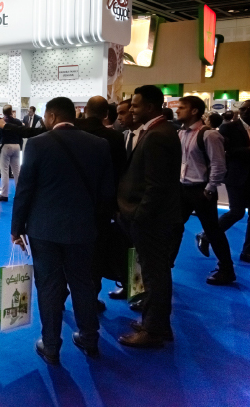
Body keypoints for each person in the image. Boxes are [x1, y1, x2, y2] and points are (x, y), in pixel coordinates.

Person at [11, 97, 113, 363]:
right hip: (83, 228)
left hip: (44, 228)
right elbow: (106, 192)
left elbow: (25, 188)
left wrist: (16, 227)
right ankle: (90, 338)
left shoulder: (37, 143)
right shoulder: (99, 144)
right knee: (83, 283)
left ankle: (51, 345)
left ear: (52, 116)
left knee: (49, 286)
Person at [116, 85, 182, 348]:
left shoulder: (157, 135)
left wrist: (139, 216)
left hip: (152, 220)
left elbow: (157, 185)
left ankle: (153, 330)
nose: (131, 109)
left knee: (155, 275)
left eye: (135, 105)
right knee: (155, 272)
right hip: (152, 218)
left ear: (150, 107)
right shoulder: (157, 131)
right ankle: (156, 324)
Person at [172, 96, 235, 284]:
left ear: (194, 111)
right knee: (174, 228)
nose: (177, 110)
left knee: (212, 231)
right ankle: (165, 266)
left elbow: (218, 165)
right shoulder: (181, 133)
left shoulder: (209, 135)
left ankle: (227, 270)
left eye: (182, 107)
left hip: (201, 190)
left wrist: (209, 188)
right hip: (183, 188)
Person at [78, 96, 128, 308]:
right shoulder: (115, 138)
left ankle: (62, 296)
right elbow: (120, 172)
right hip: (102, 205)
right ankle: (91, 297)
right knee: (97, 253)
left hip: (72, 204)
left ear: (85, 110)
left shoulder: (73, 132)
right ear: (106, 114)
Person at [215, 99, 250, 265]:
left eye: (249, 109)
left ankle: (248, 252)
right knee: (237, 212)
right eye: (243, 108)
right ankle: (208, 234)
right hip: (236, 175)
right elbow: (227, 151)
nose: (244, 111)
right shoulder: (229, 128)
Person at [0, 105, 23, 202]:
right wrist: (20, 146)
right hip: (16, 146)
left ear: (3, 112)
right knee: (17, 171)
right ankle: (20, 193)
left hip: (6, 146)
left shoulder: (2, 121)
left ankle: (4, 194)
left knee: (4, 171)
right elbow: (21, 134)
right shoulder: (18, 122)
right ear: (11, 111)